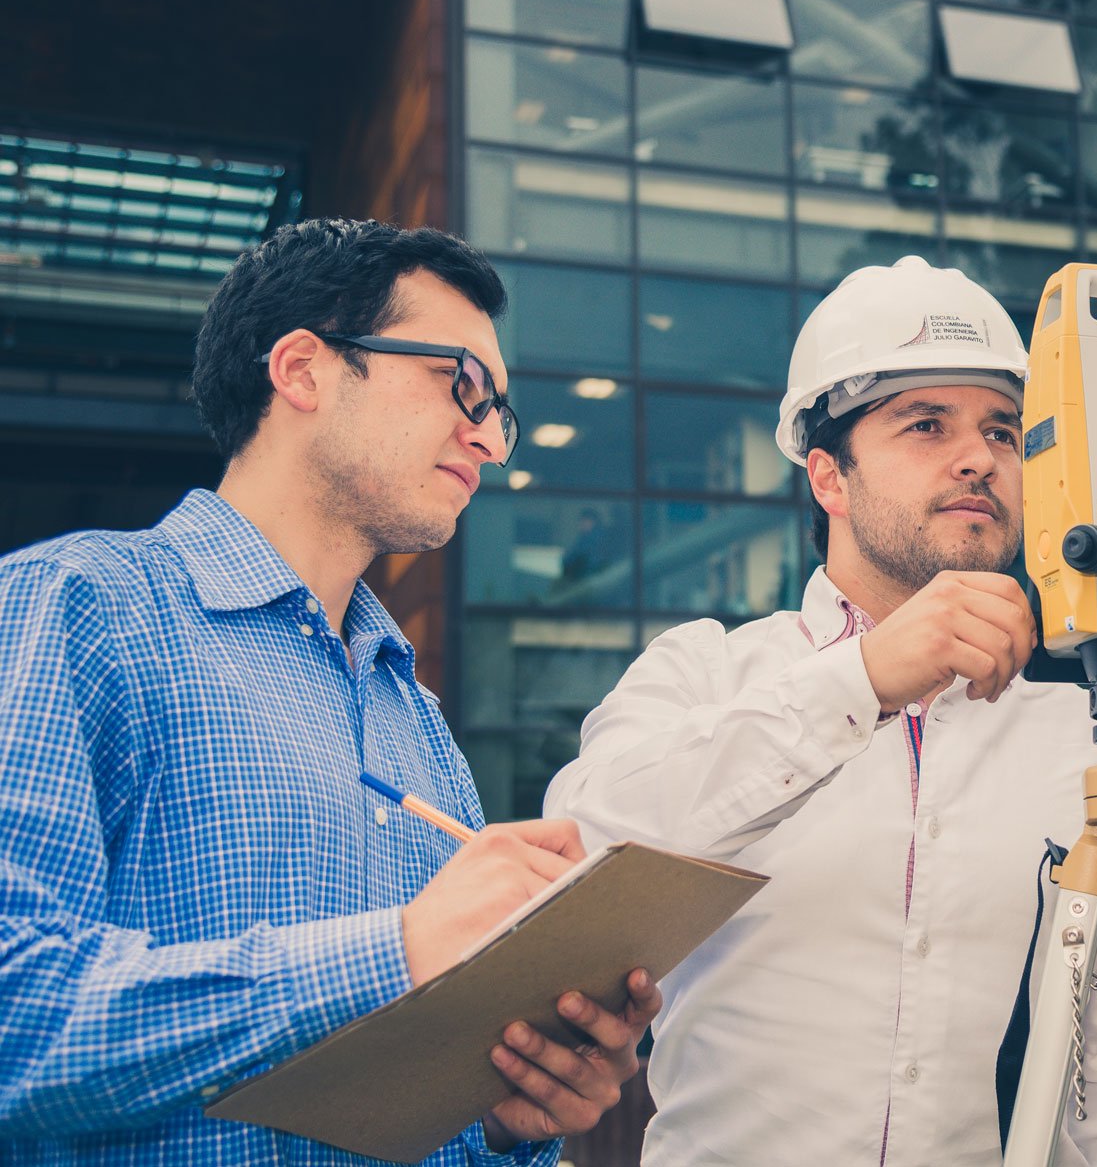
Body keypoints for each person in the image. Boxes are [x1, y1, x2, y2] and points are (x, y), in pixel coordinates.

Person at [0, 220, 658, 1165]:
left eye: (499, 412)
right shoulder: (79, 606)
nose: (487, 434)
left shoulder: (413, 715)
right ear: (304, 370)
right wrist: (392, 953)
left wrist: (506, 1116)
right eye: (461, 381)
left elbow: (425, 1100)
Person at [545, 255, 1097, 1166]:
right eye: (925, 424)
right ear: (828, 477)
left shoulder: (1082, 737)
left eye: (1003, 432)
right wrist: (862, 680)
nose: (980, 456)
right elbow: (576, 861)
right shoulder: (704, 674)